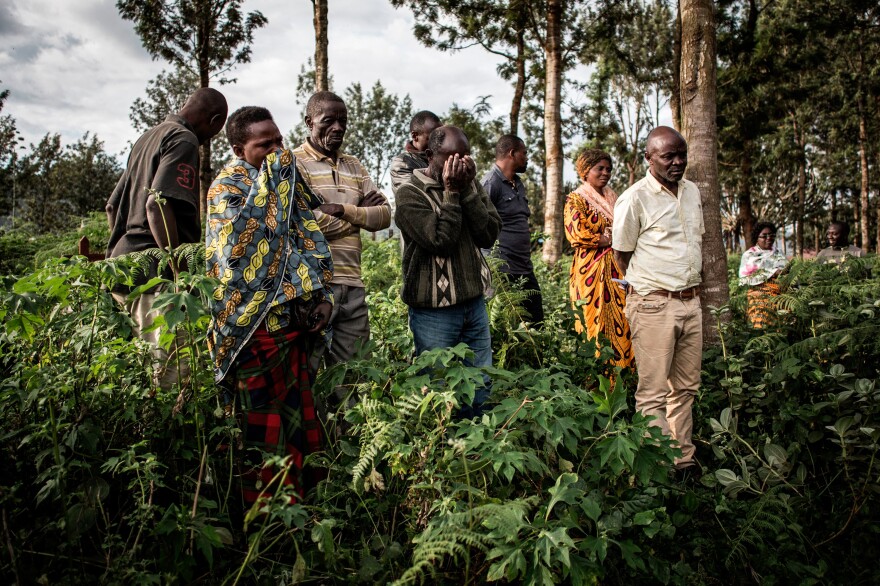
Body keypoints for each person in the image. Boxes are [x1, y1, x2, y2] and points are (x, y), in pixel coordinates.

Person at [206, 106, 334, 506]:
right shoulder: (225, 189)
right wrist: (273, 185)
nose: (279, 151)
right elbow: (237, 256)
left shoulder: (285, 185)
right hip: (252, 332)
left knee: (297, 424)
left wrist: (322, 298)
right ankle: (263, 520)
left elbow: (309, 243)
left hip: (293, 330)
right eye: (266, 145)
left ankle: (301, 508)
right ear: (238, 148)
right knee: (259, 432)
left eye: (280, 141)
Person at [105, 88, 228, 389]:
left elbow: (111, 205)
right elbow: (155, 203)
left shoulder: (147, 138)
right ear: (213, 121)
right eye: (216, 131)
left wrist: (122, 249)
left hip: (122, 269)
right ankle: (168, 436)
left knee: (135, 373)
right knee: (169, 375)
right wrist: (176, 271)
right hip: (154, 277)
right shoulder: (183, 139)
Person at [612, 126, 704, 474]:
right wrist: (650, 289)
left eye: (682, 154)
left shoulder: (692, 192)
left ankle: (683, 461)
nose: (678, 162)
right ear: (649, 158)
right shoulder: (634, 198)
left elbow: (695, 242)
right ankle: (658, 466)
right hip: (653, 304)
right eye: (669, 156)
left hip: (690, 303)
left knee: (685, 388)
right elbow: (622, 254)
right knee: (652, 393)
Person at [395, 126, 501, 417]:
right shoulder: (408, 195)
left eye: (466, 156)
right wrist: (452, 193)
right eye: (452, 157)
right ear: (430, 155)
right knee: (439, 390)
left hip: (473, 304)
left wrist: (466, 190)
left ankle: (476, 447)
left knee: (480, 384)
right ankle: (443, 453)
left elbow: (488, 234)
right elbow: (440, 240)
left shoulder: (471, 184)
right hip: (434, 312)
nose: (460, 164)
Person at [293, 92, 391, 371]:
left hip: (353, 285)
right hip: (311, 286)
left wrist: (345, 210)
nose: (338, 127)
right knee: (308, 373)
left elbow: (384, 216)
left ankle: (346, 417)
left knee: (352, 375)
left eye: (343, 121)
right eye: (329, 121)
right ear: (309, 122)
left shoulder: (354, 164)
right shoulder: (294, 164)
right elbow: (305, 225)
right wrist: (361, 212)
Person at [564, 148, 632, 368]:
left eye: (609, 169)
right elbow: (577, 234)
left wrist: (611, 238)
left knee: (622, 318)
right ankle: (598, 379)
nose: (606, 173)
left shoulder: (614, 199)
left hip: (617, 268)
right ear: (585, 171)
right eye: (599, 169)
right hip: (591, 271)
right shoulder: (576, 200)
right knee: (595, 320)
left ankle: (623, 377)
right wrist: (609, 238)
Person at [482, 135, 544, 327]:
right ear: (512, 153)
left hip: (524, 267)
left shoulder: (519, 184)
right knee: (503, 326)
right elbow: (479, 225)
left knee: (536, 324)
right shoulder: (490, 183)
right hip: (501, 271)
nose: (526, 158)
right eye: (524, 153)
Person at [739, 222, 788, 329]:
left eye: (771, 235)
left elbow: (789, 274)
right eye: (764, 236)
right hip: (758, 296)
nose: (768, 238)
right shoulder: (749, 255)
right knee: (761, 328)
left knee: (781, 328)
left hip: (780, 296)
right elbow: (744, 279)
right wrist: (773, 273)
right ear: (757, 237)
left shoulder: (779, 253)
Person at [390, 110, 442, 194]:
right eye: (432, 137)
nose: (438, 142)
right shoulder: (402, 163)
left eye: (441, 136)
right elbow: (411, 196)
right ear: (415, 136)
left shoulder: (441, 156)